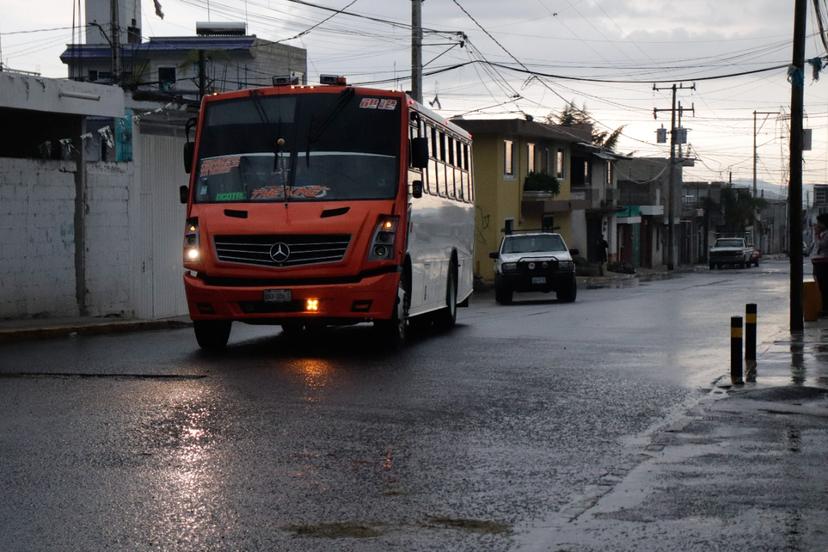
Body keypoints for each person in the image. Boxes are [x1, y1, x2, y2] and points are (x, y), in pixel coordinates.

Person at [811, 213, 828, 315]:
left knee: (825, 286)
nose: (817, 225)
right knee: (821, 286)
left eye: (819, 223)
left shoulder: (825, 235)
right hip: (818, 263)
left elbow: (821, 245)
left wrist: (816, 234)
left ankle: (826, 308)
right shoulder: (822, 234)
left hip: (824, 264)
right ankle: (823, 307)